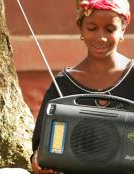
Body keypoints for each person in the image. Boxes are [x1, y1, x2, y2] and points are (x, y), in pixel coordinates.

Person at [31, 0, 133, 173]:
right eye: (92, 28)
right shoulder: (63, 83)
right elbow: (41, 146)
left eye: (110, 29)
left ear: (123, 30)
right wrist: (38, 160)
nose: (101, 37)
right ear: (80, 28)